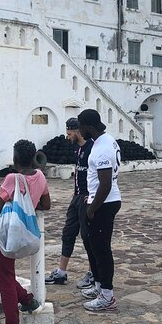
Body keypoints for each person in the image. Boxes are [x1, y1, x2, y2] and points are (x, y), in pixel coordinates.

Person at [0, 140, 50, 324]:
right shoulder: (40, 176)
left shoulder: (12, 178)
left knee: (5, 278)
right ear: (33, 158)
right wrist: (29, 203)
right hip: (27, 230)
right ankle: (27, 299)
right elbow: (46, 204)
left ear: (14, 159)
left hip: (5, 232)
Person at [77, 109, 121, 313]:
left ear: (89, 127)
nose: (79, 131)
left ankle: (107, 295)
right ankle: (98, 287)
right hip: (99, 200)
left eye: (81, 127)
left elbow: (105, 184)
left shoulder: (102, 147)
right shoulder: (105, 140)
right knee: (93, 246)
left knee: (102, 250)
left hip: (104, 203)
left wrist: (93, 208)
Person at [44, 118, 94, 288]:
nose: (68, 137)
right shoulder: (76, 149)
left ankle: (93, 272)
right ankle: (61, 272)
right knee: (68, 233)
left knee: (89, 237)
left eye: (70, 133)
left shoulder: (92, 148)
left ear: (78, 131)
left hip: (87, 197)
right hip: (76, 196)